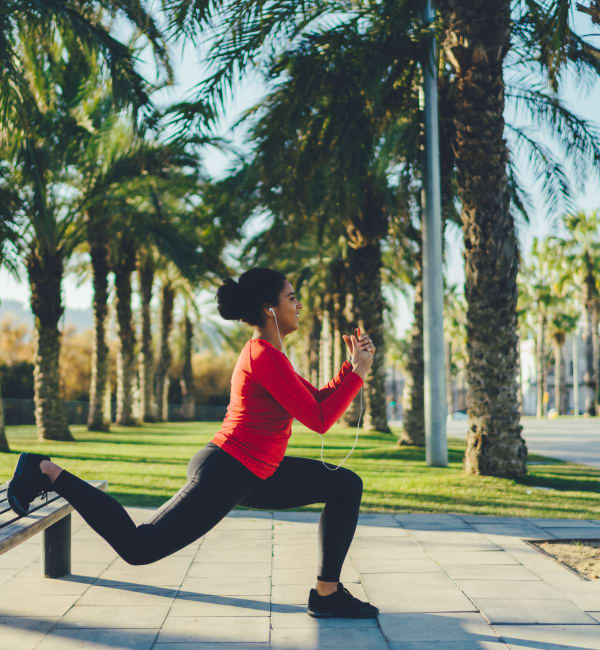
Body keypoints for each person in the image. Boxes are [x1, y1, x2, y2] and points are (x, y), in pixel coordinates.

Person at [7, 267, 378, 619]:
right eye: (291, 297)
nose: (298, 305)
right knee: (139, 548)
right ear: (269, 308)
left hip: (257, 470)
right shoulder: (263, 356)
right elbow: (320, 420)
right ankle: (46, 470)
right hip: (228, 470)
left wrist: (350, 367)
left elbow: (316, 402)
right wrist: (358, 373)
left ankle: (327, 594)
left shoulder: (273, 356)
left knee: (345, 485)